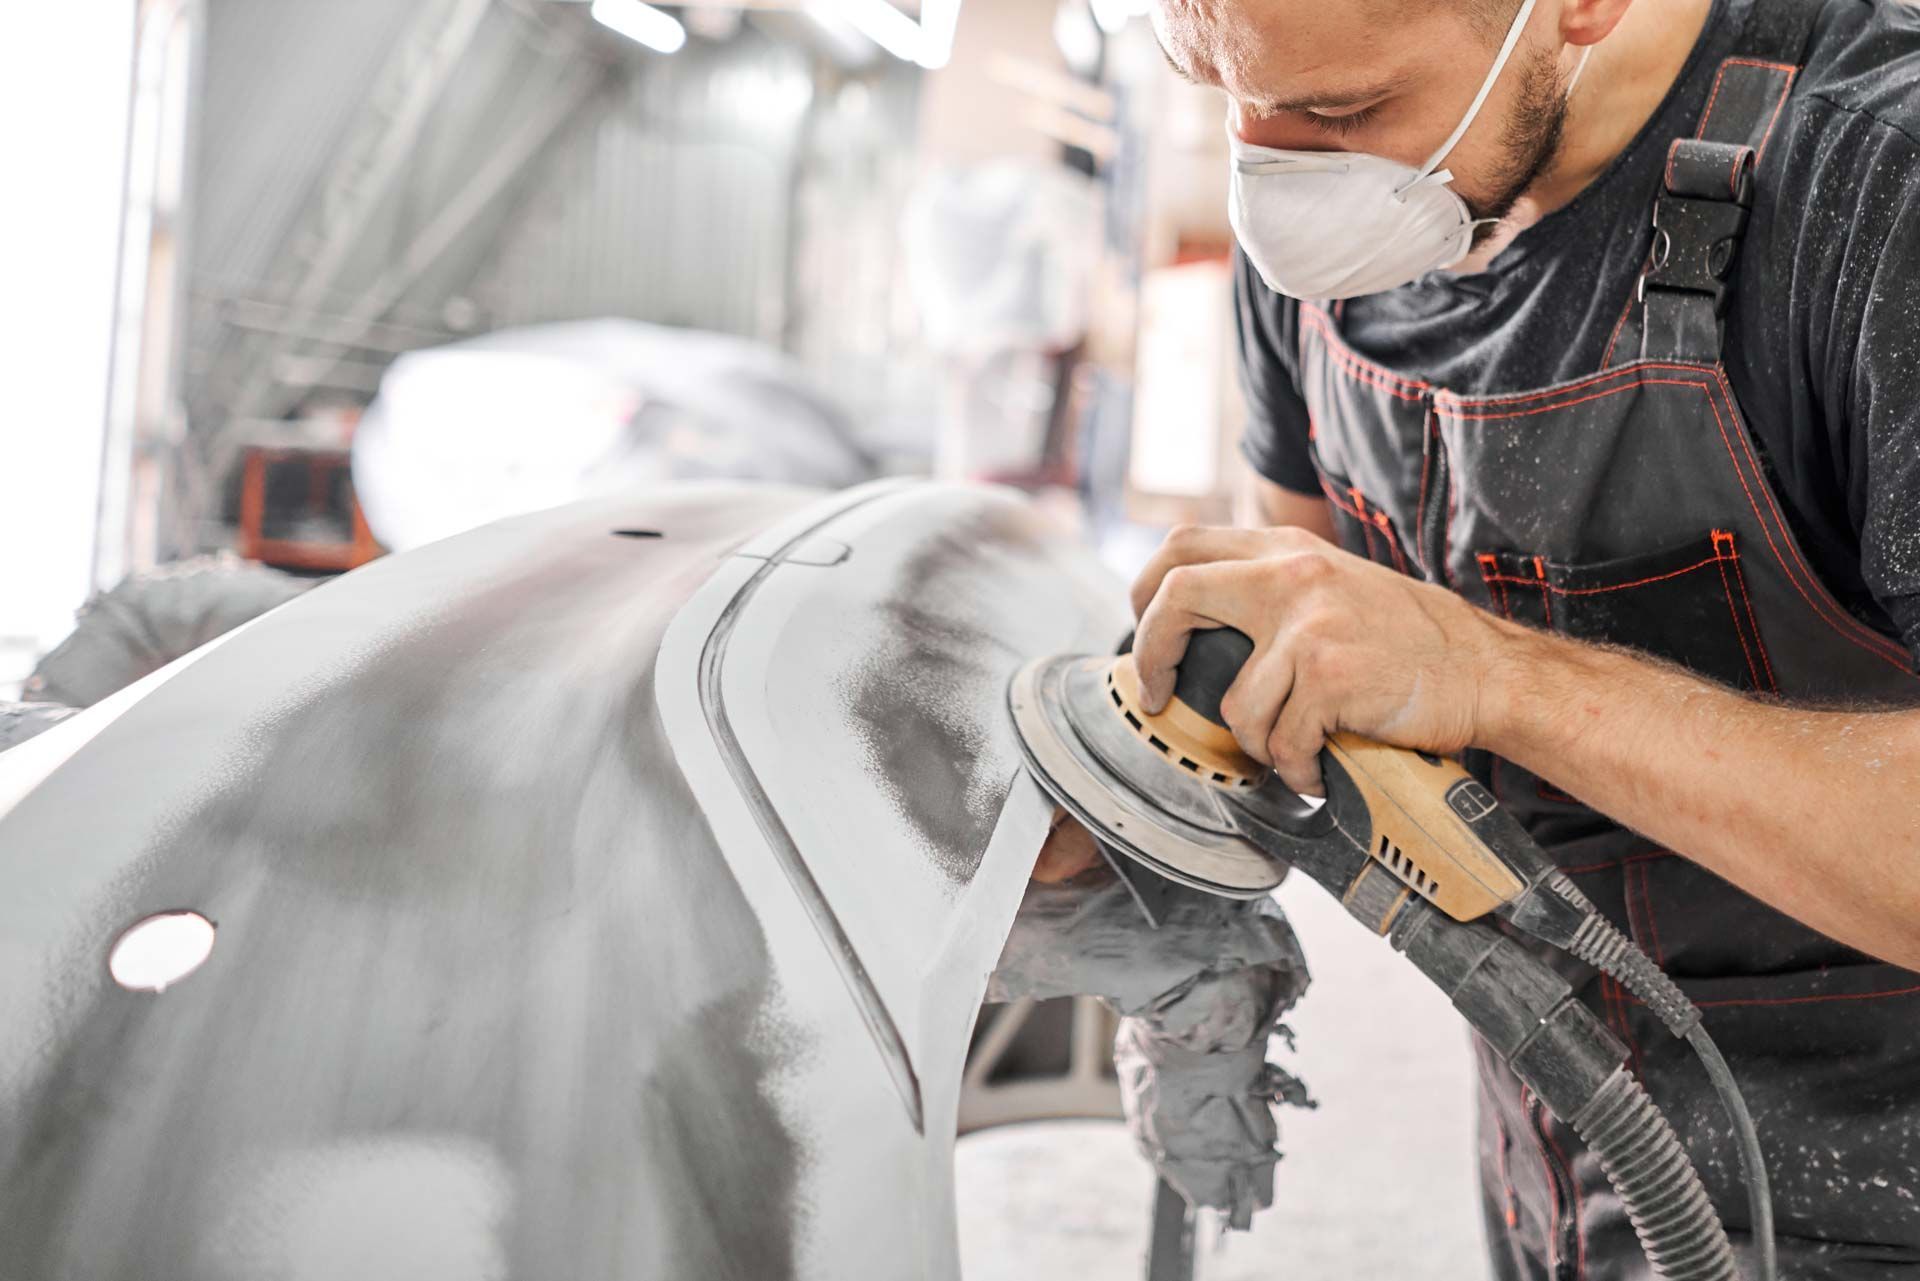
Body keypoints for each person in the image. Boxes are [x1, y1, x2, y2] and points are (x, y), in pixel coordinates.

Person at [1122, 0, 1920, 1274]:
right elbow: (1288, 628)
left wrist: (1491, 678)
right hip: (1550, 1160)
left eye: (1343, 113)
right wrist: (1152, 880)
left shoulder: (1877, 189)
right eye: (1214, 86)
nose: (1272, 173)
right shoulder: (1328, 240)